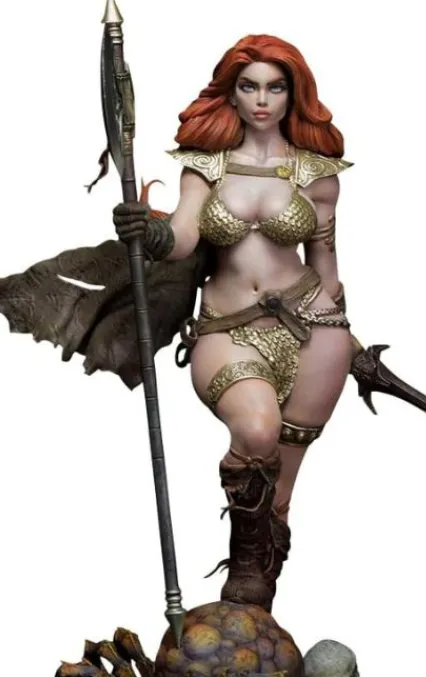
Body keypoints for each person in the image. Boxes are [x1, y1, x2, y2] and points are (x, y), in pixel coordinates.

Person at [113, 34, 361, 612]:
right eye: (249, 87)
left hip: (316, 334)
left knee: (281, 494)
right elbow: (183, 237)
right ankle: (246, 567)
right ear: (231, 92)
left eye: (275, 87)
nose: (262, 100)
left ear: (293, 94)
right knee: (255, 430)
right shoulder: (205, 166)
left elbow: (326, 266)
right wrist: (150, 233)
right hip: (227, 329)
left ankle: (254, 600)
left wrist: (349, 340)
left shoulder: (317, 173)